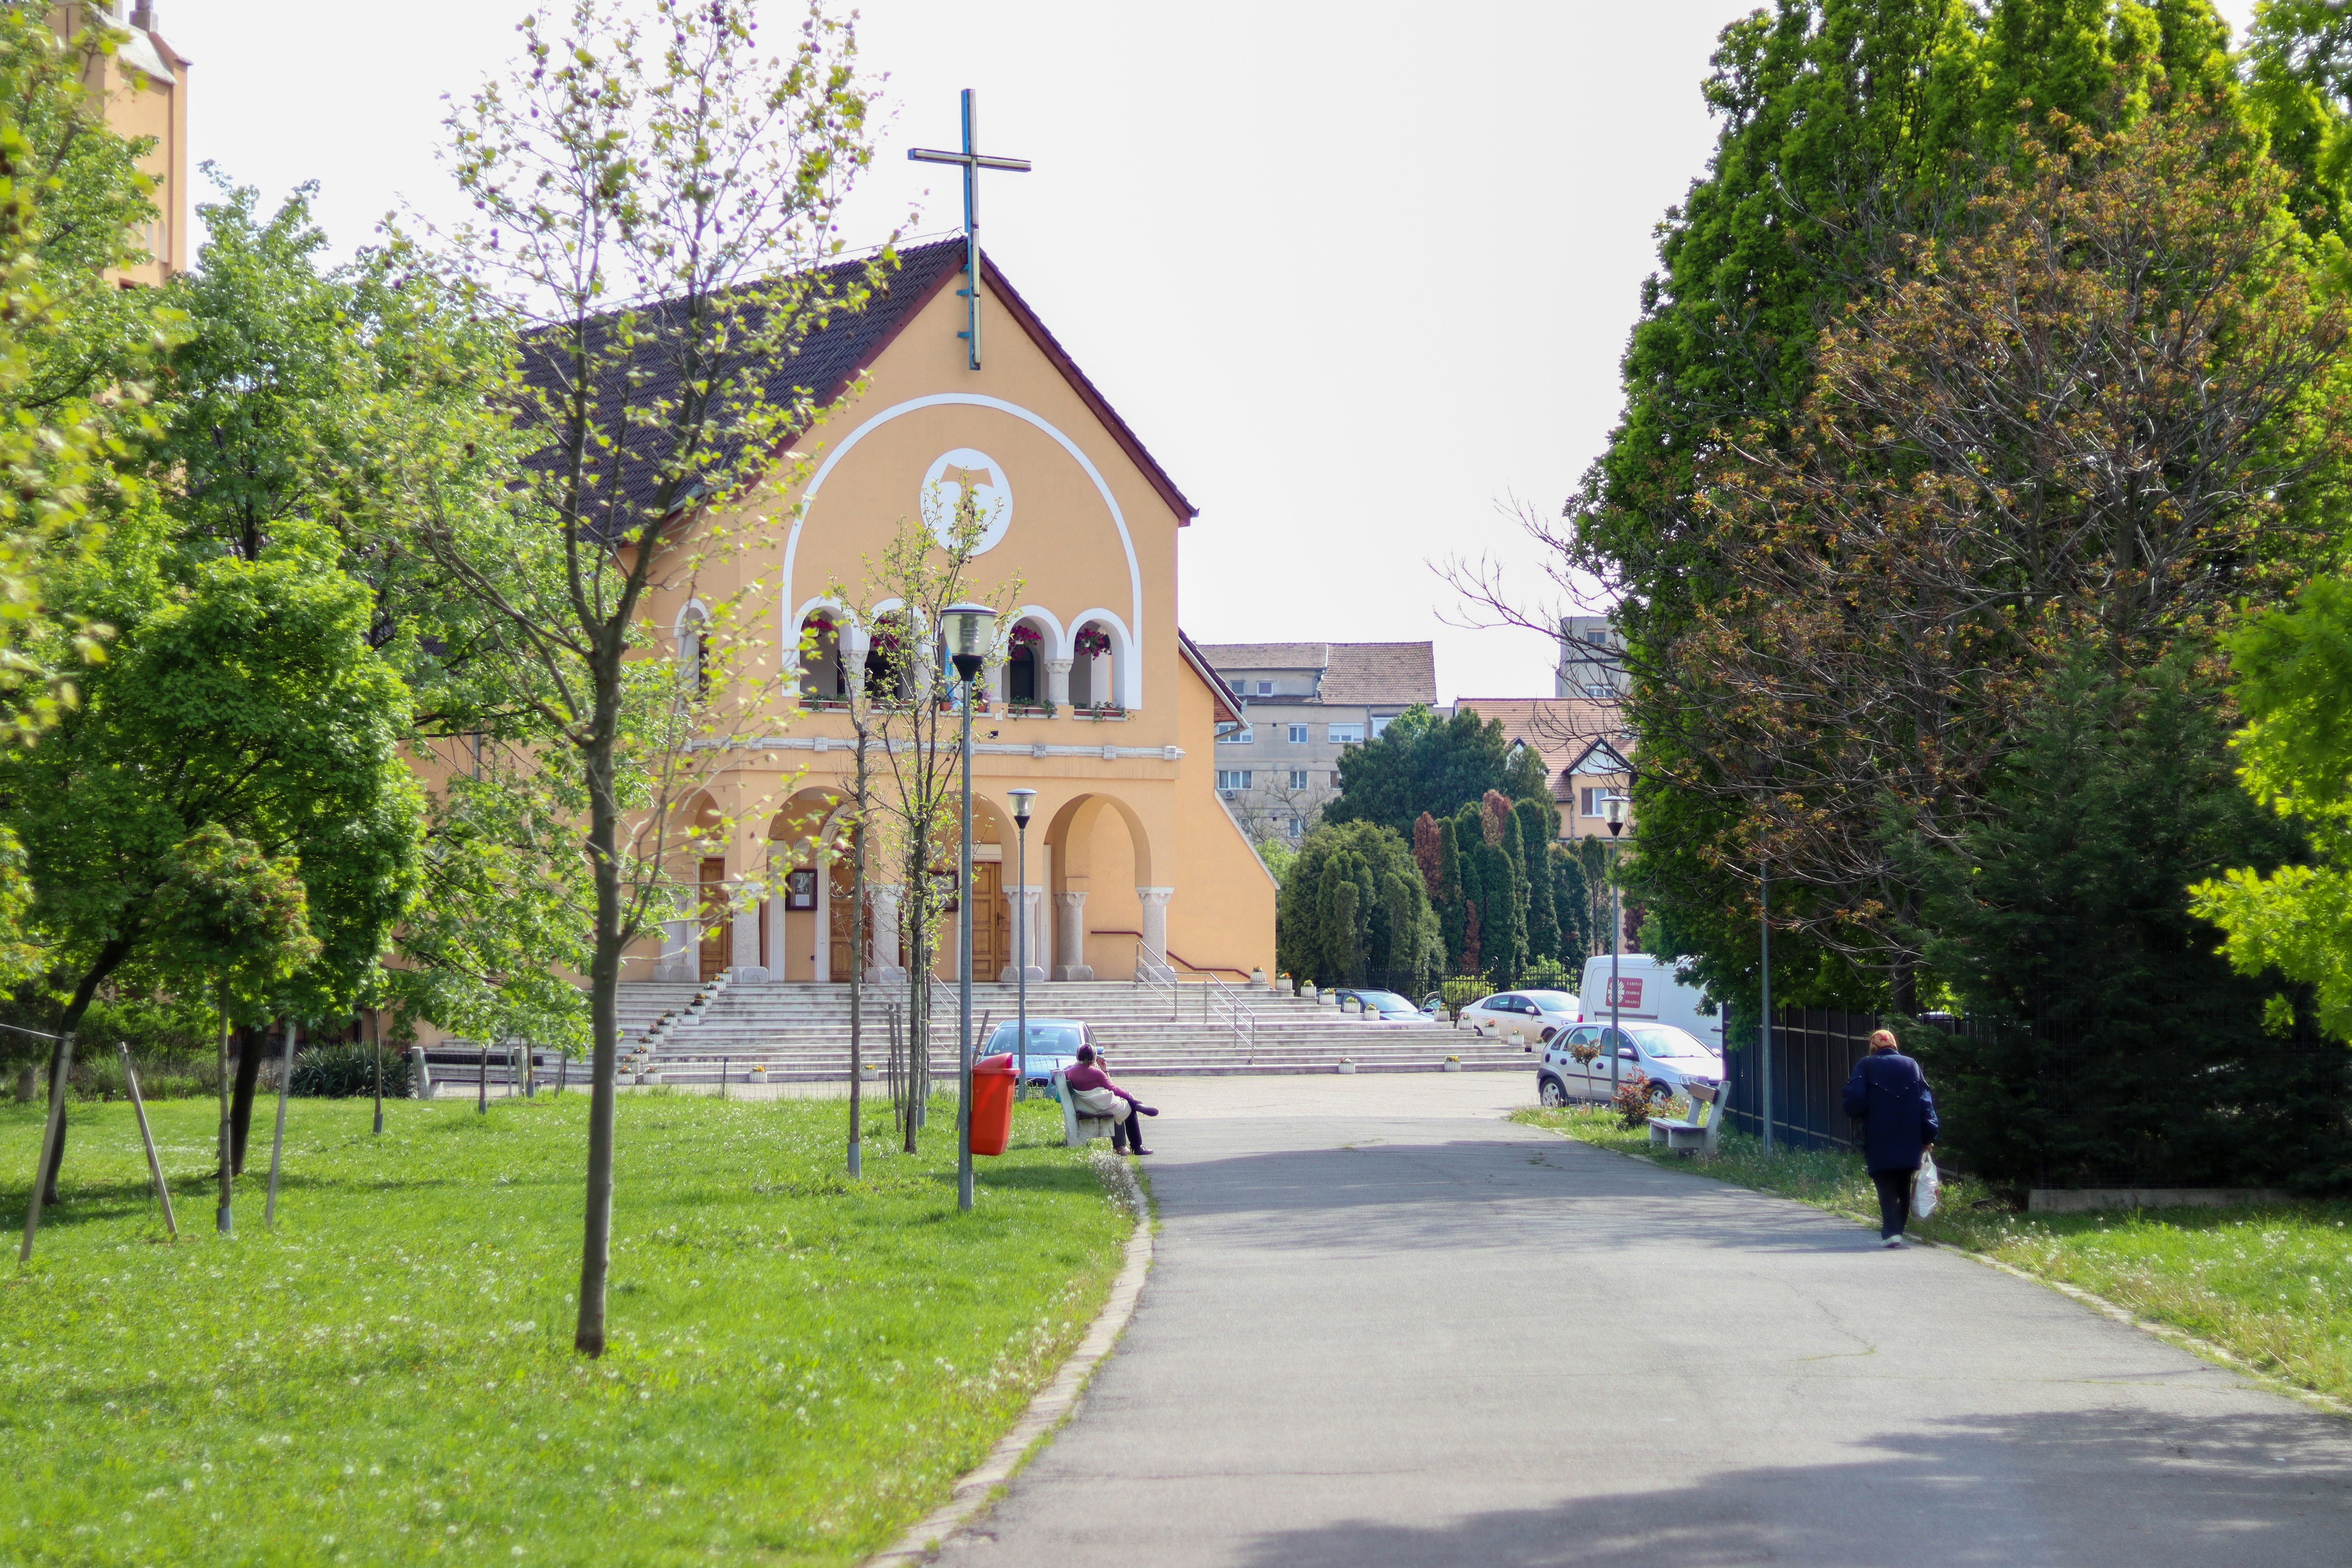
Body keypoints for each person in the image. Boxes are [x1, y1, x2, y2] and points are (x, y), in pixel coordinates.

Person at [1840, 1027, 1939, 1249]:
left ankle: (1891, 1231)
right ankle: (1897, 1231)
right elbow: (1926, 1102)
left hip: (1879, 1133)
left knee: (1884, 1181)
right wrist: (1929, 1134)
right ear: (1894, 1046)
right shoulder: (1912, 1065)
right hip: (1910, 1135)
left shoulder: (1866, 1065)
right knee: (1903, 1182)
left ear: (1873, 1047)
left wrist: (1859, 1112)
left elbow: (1854, 1097)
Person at [1063, 1044, 1158, 1155]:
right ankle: (1137, 1147)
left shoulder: (1071, 1072)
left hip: (1085, 1105)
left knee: (1123, 1105)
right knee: (1129, 1109)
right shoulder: (1095, 1073)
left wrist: (1104, 1070)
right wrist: (1129, 1095)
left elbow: (1058, 1078)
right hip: (1099, 1105)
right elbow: (1113, 1088)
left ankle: (1137, 1105)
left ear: (1078, 1056)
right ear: (1093, 1057)